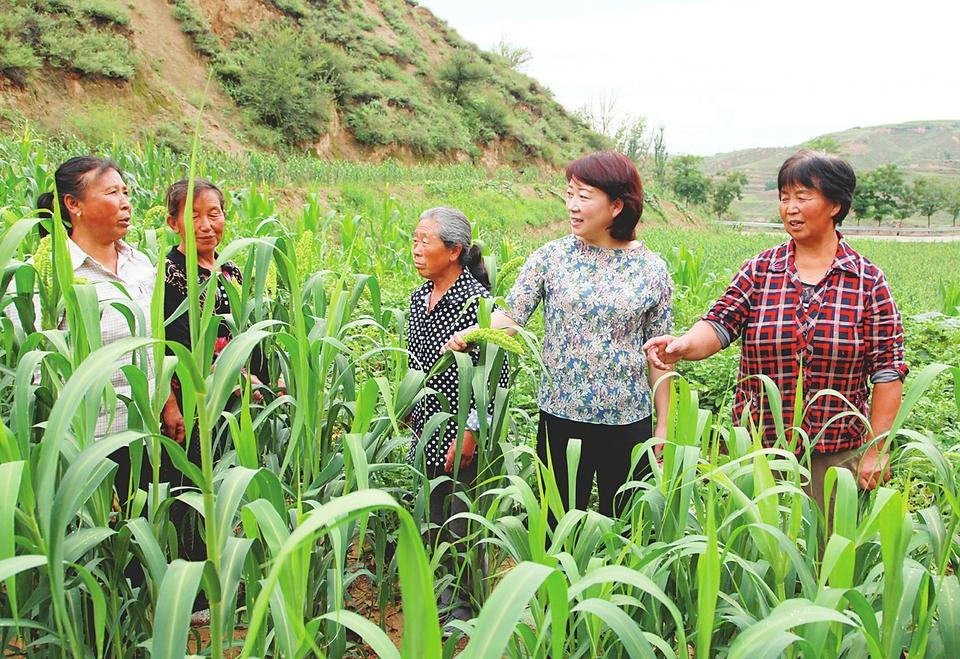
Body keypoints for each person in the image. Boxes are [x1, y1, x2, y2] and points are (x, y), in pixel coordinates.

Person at [644, 150, 907, 513]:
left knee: (826, 559)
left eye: (803, 196)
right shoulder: (761, 270)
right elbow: (720, 323)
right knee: (760, 552)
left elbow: (888, 370)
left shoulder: (867, 281)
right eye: (784, 197)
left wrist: (877, 448)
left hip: (835, 453)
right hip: (759, 450)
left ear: (834, 204)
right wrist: (682, 346)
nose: (790, 208)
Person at [447, 151, 672, 520]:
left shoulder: (652, 269)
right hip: (562, 417)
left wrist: (662, 425)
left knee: (628, 524)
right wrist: (475, 333)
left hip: (629, 421)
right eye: (570, 194)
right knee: (557, 522)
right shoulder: (551, 257)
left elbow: (659, 354)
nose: (572, 205)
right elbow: (512, 316)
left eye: (584, 196)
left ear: (616, 205)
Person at [405, 206, 509, 625]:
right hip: (424, 426)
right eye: (413, 240)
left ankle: (465, 610)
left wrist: (469, 432)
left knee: (460, 518)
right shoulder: (418, 298)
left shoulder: (479, 305)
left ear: (454, 251)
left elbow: (494, 375)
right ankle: (440, 596)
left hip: (459, 431)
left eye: (424, 241)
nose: (415, 249)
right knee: (431, 512)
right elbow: (414, 361)